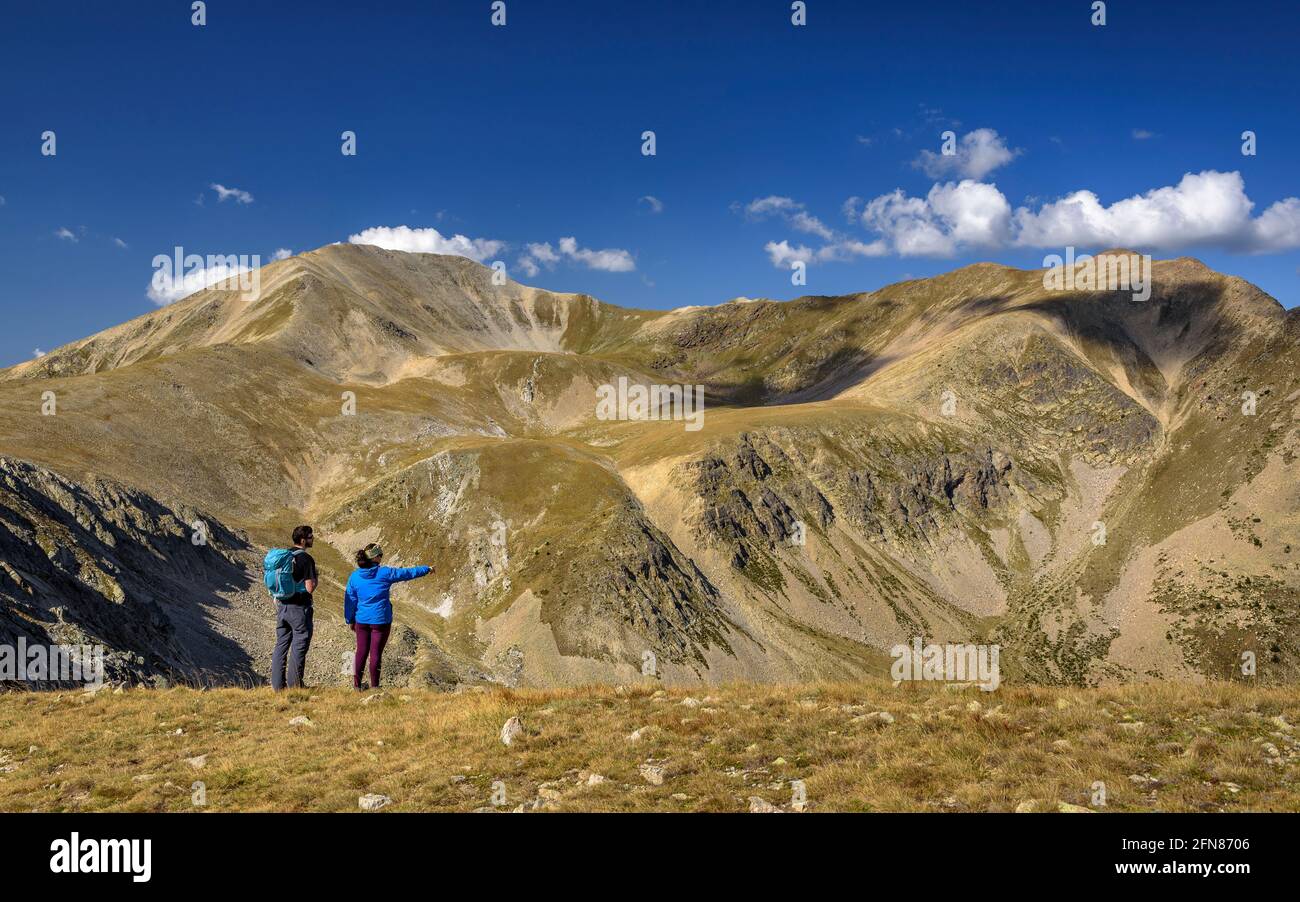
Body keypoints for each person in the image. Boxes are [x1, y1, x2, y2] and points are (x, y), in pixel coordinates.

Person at [345, 544, 431, 689]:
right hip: (380, 621)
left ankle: (357, 686)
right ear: (376, 558)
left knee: (361, 651)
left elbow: (350, 600)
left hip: (361, 620)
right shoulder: (384, 573)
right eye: (381, 555)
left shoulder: (354, 576)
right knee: (376, 653)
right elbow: (407, 573)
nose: (382, 558)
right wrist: (426, 569)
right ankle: (375, 687)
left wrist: (350, 619)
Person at [270, 525, 318, 690]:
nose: (313, 539)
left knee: (281, 645)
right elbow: (310, 587)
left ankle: (277, 687)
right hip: (299, 608)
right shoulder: (306, 559)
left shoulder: (284, 556)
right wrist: (315, 581)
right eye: (311, 536)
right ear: (303, 540)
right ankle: (295, 686)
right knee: (299, 645)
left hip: (282, 606)